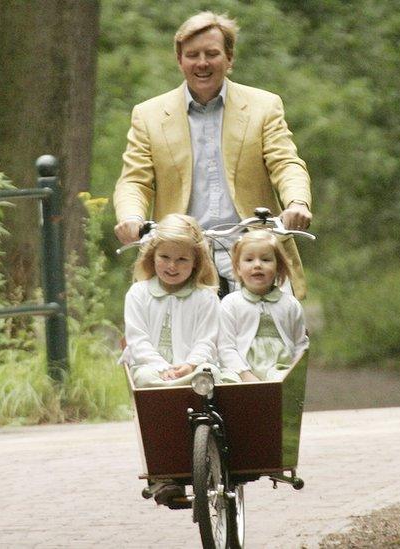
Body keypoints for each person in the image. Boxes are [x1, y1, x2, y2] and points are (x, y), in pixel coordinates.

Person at [112, 11, 313, 299]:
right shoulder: (149, 115)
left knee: (270, 338)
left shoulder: (264, 106)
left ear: (229, 59)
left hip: (251, 250)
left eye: (212, 53)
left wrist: (296, 202)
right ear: (180, 60)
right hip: (183, 256)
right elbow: (134, 180)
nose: (202, 63)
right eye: (192, 54)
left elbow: (285, 163)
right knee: (177, 340)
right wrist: (131, 217)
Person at [120, 214, 235, 389]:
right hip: (150, 367)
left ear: (196, 262)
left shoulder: (206, 297)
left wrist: (190, 365)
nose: (172, 266)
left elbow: (207, 340)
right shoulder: (138, 293)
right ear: (153, 256)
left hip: (192, 369)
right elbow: (137, 340)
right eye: (164, 257)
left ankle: (185, 389)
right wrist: (161, 367)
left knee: (210, 373)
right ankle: (173, 389)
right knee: (144, 378)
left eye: (182, 259)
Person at [218, 231, 308, 382]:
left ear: (278, 267)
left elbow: (301, 345)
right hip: (241, 371)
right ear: (238, 268)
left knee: (281, 384)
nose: (257, 265)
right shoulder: (231, 303)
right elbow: (226, 347)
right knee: (224, 382)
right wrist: (245, 374)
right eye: (249, 260)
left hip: (280, 370)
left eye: (266, 259)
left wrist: (294, 371)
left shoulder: (290, 305)